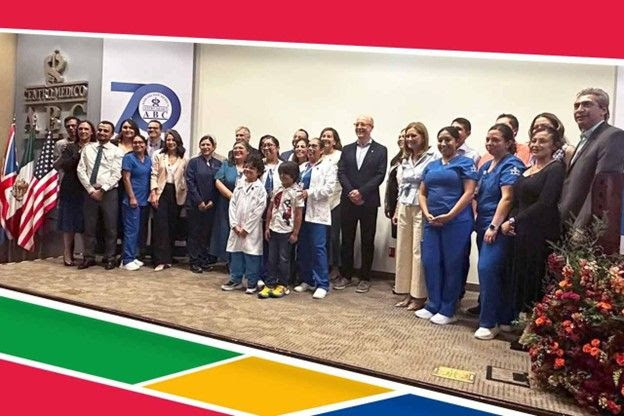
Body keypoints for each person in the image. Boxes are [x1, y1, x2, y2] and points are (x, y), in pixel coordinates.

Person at [501, 126, 566, 317]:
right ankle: (522, 321)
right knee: (520, 277)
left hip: (540, 234)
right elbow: (517, 200)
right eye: (534, 141)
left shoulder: (555, 168)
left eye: (542, 141)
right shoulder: (528, 169)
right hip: (521, 233)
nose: (536, 144)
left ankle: (535, 325)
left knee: (536, 279)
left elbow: (545, 203)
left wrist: (514, 220)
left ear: (554, 145)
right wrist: (511, 221)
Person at [416, 126, 477, 325]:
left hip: (457, 222)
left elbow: (469, 192)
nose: (443, 144)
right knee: (430, 261)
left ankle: (448, 308)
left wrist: (450, 215)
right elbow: (422, 192)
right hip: (432, 222)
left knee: (453, 264)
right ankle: (433, 304)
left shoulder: (465, 163)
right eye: (440, 140)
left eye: (448, 140)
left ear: (457, 141)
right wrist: (426, 212)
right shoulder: (431, 165)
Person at [473, 124, 525, 340]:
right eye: (488, 139)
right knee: (495, 272)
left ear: (508, 142)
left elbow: (508, 197)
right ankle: (505, 318)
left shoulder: (512, 164)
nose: (490, 143)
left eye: (496, 140)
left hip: (497, 227)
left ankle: (489, 322)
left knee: (488, 270)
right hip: (482, 223)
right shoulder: (486, 166)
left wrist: (494, 226)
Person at [559, 87, 624, 233]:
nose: (579, 110)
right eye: (576, 106)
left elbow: (602, 188)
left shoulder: (612, 136)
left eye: (587, 104)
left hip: (584, 230)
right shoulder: (584, 140)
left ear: (603, 110)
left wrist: (580, 228)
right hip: (567, 225)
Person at [335, 115, 388, 293]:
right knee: (346, 240)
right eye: (357, 124)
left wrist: (361, 192)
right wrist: (351, 191)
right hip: (348, 200)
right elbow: (341, 172)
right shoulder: (347, 149)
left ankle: (365, 277)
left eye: (363, 124)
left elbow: (380, 175)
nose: (359, 127)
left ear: (371, 127)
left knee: (367, 240)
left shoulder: (381, 150)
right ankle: (346, 275)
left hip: (368, 201)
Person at [393, 122, 438, 311]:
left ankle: (418, 295)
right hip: (405, 205)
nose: (410, 139)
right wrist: (397, 209)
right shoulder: (405, 158)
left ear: (423, 137)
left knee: (417, 250)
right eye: (408, 136)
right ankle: (405, 292)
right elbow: (400, 186)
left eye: (414, 136)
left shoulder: (432, 157)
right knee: (403, 250)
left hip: (421, 206)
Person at [76, 121, 124, 270]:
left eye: (106, 131)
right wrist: (91, 190)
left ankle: (110, 258)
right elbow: (80, 170)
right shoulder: (88, 148)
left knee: (110, 227)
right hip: (90, 192)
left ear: (112, 134)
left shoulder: (117, 151)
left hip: (109, 193)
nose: (102, 133)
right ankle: (88, 257)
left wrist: (102, 190)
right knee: (89, 226)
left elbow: (117, 173)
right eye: (100, 130)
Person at [294, 138, 337, 299]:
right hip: (301, 213)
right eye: (309, 146)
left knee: (318, 249)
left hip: (317, 214)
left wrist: (309, 192)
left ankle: (322, 284)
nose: (310, 149)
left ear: (321, 150)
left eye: (314, 146)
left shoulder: (329, 166)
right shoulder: (302, 167)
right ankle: (307, 280)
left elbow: (329, 189)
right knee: (303, 248)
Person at [221, 154, 267, 293]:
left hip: (251, 230)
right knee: (236, 254)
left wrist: (246, 228)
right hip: (236, 228)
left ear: (259, 172)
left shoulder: (260, 189)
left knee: (251, 256)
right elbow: (232, 205)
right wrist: (234, 225)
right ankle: (236, 280)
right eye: (246, 167)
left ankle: (252, 282)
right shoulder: (239, 186)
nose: (247, 170)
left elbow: (258, 211)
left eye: (251, 168)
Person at [54, 120, 95, 266]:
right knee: (69, 223)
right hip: (71, 188)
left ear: (92, 132)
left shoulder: (96, 147)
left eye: (86, 129)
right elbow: (64, 166)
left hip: (89, 189)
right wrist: (79, 153)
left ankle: (87, 254)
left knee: (86, 223)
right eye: (81, 129)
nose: (83, 131)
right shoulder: (70, 147)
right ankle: (67, 253)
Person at [259, 161, 303, 299]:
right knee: (271, 258)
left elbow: (298, 214)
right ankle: (270, 283)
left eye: (286, 174)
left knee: (284, 259)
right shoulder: (277, 189)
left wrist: (295, 233)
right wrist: (267, 227)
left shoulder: (297, 193)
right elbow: (270, 209)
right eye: (281, 173)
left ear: (294, 176)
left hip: (287, 230)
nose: (283, 176)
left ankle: (283, 284)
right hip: (274, 228)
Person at [150, 130, 188, 271]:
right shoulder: (159, 156)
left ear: (178, 142)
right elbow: (153, 175)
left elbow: (185, 178)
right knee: (160, 227)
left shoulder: (184, 158)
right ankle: (159, 260)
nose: (170, 142)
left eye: (173, 140)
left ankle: (168, 258)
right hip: (161, 192)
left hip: (176, 194)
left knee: (172, 226)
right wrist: (153, 193)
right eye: (168, 140)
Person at [210, 141, 251, 263]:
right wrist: (232, 196)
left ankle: (240, 260)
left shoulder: (251, 165)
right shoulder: (227, 164)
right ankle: (228, 260)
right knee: (225, 231)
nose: (237, 150)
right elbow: (218, 181)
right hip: (226, 203)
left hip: (246, 205)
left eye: (240, 148)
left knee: (242, 230)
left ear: (247, 152)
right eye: (235, 148)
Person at [185, 135, 222, 273]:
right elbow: (190, 182)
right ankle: (194, 261)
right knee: (194, 233)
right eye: (203, 144)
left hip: (211, 205)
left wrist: (212, 200)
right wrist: (199, 201)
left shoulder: (218, 164)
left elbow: (219, 183)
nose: (205, 147)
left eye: (208, 144)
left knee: (206, 234)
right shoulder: (193, 162)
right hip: (195, 205)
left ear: (213, 147)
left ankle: (203, 260)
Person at [120, 134, 151, 271]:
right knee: (131, 230)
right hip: (132, 200)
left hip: (145, 200)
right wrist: (132, 197)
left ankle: (133, 256)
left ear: (145, 144)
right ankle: (126, 259)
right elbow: (126, 179)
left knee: (139, 231)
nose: (138, 145)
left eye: (141, 142)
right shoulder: (128, 158)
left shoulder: (148, 160)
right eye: (135, 142)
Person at [320, 127, 343, 277]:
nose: (326, 138)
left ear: (335, 141)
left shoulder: (340, 155)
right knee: (322, 237)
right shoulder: (318, 155)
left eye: (329, 136)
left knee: (334, 237)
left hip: (336, 200)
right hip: (320, 202)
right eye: (323, 136)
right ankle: (323, 265)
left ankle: (335, 266)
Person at [384, 128, 405, 241]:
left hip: (404, 204)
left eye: (403, 136)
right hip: (393, 203)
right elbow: (389, 183)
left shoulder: (412, 160)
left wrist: (398, 208)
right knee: (397, 238)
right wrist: (387, 204)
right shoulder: (395, 160)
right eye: (399, 137)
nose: (401, 139)